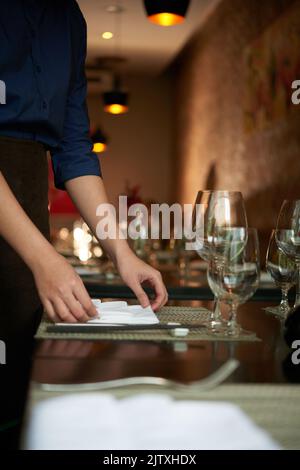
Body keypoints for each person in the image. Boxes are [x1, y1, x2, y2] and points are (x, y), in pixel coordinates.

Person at [0, 0, 168, 328]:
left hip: (30, 197)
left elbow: (75, 149)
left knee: (21, 343)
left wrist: (122, 254)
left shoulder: (70, 19)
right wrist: (43, 257)